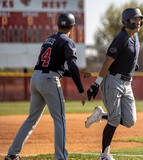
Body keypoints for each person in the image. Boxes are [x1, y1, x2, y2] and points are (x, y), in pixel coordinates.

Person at [5, 12, 91, 160]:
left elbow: (55, 67)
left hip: (36, 78)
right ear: (72, 27)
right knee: (60, 119)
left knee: (31, 119)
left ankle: (12, 154)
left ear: (57, 25)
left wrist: (77, 74)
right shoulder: (67, 41)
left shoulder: (48, 39)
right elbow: (71, 64)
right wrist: (81, 90)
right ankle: (60, 157)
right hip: (49, 80)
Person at [85, 8, 143, 160]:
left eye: (139, 19)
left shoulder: (135, 36)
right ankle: (104, 155)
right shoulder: (121, 38)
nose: (137, 22)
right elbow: (107, 61)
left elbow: (129, 55)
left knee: (130, 121)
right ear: (125, 22)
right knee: (114, 119)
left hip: (127, 83)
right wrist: (96, 84)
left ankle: (100, 115)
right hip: (113, 81)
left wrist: (131, 64)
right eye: (134, 19)